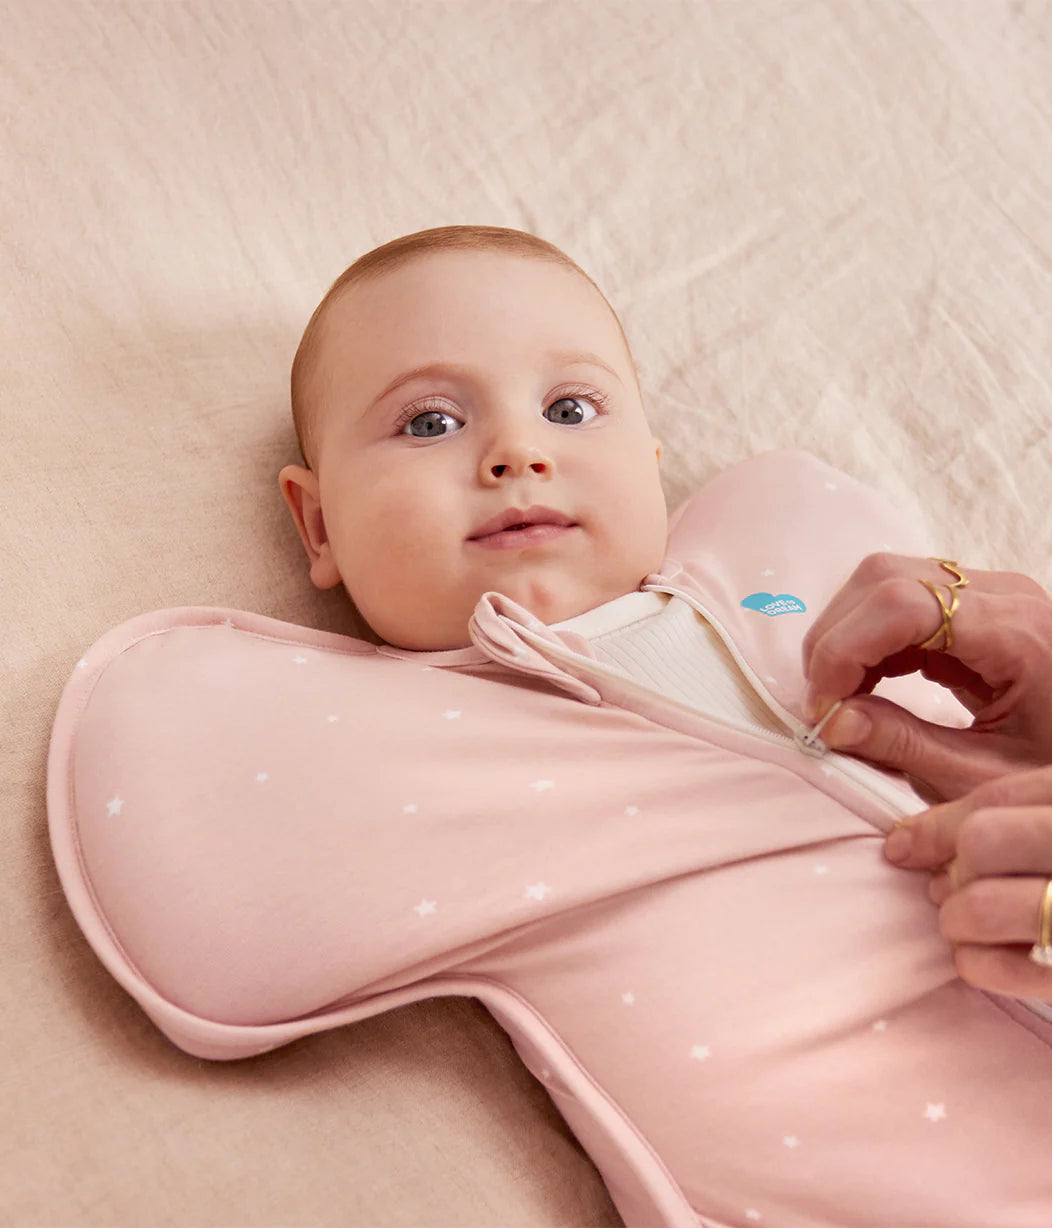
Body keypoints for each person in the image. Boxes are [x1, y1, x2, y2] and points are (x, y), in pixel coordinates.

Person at [51, 224, 1052, 1228]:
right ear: (318, 525)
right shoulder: (384, 753)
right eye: (429, 423)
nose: (517, 453)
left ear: (650, 464)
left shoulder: (801, 563)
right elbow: (212, 919)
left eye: (570, 409)